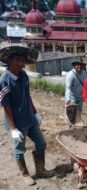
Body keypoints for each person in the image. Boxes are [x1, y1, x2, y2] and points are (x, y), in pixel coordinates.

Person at [0, 45, 55, 186]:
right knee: (19, 149)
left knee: (41, 144)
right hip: (17, 123)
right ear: (10, 60)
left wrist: (35, 113)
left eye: (23, 60)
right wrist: (13, 129)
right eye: (18, 59)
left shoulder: (23, 75)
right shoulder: (4, 81)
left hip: (30, 119)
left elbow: (28, 96)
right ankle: (24, 173)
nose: (21, 63)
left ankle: (40, 170)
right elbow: (6, 107)